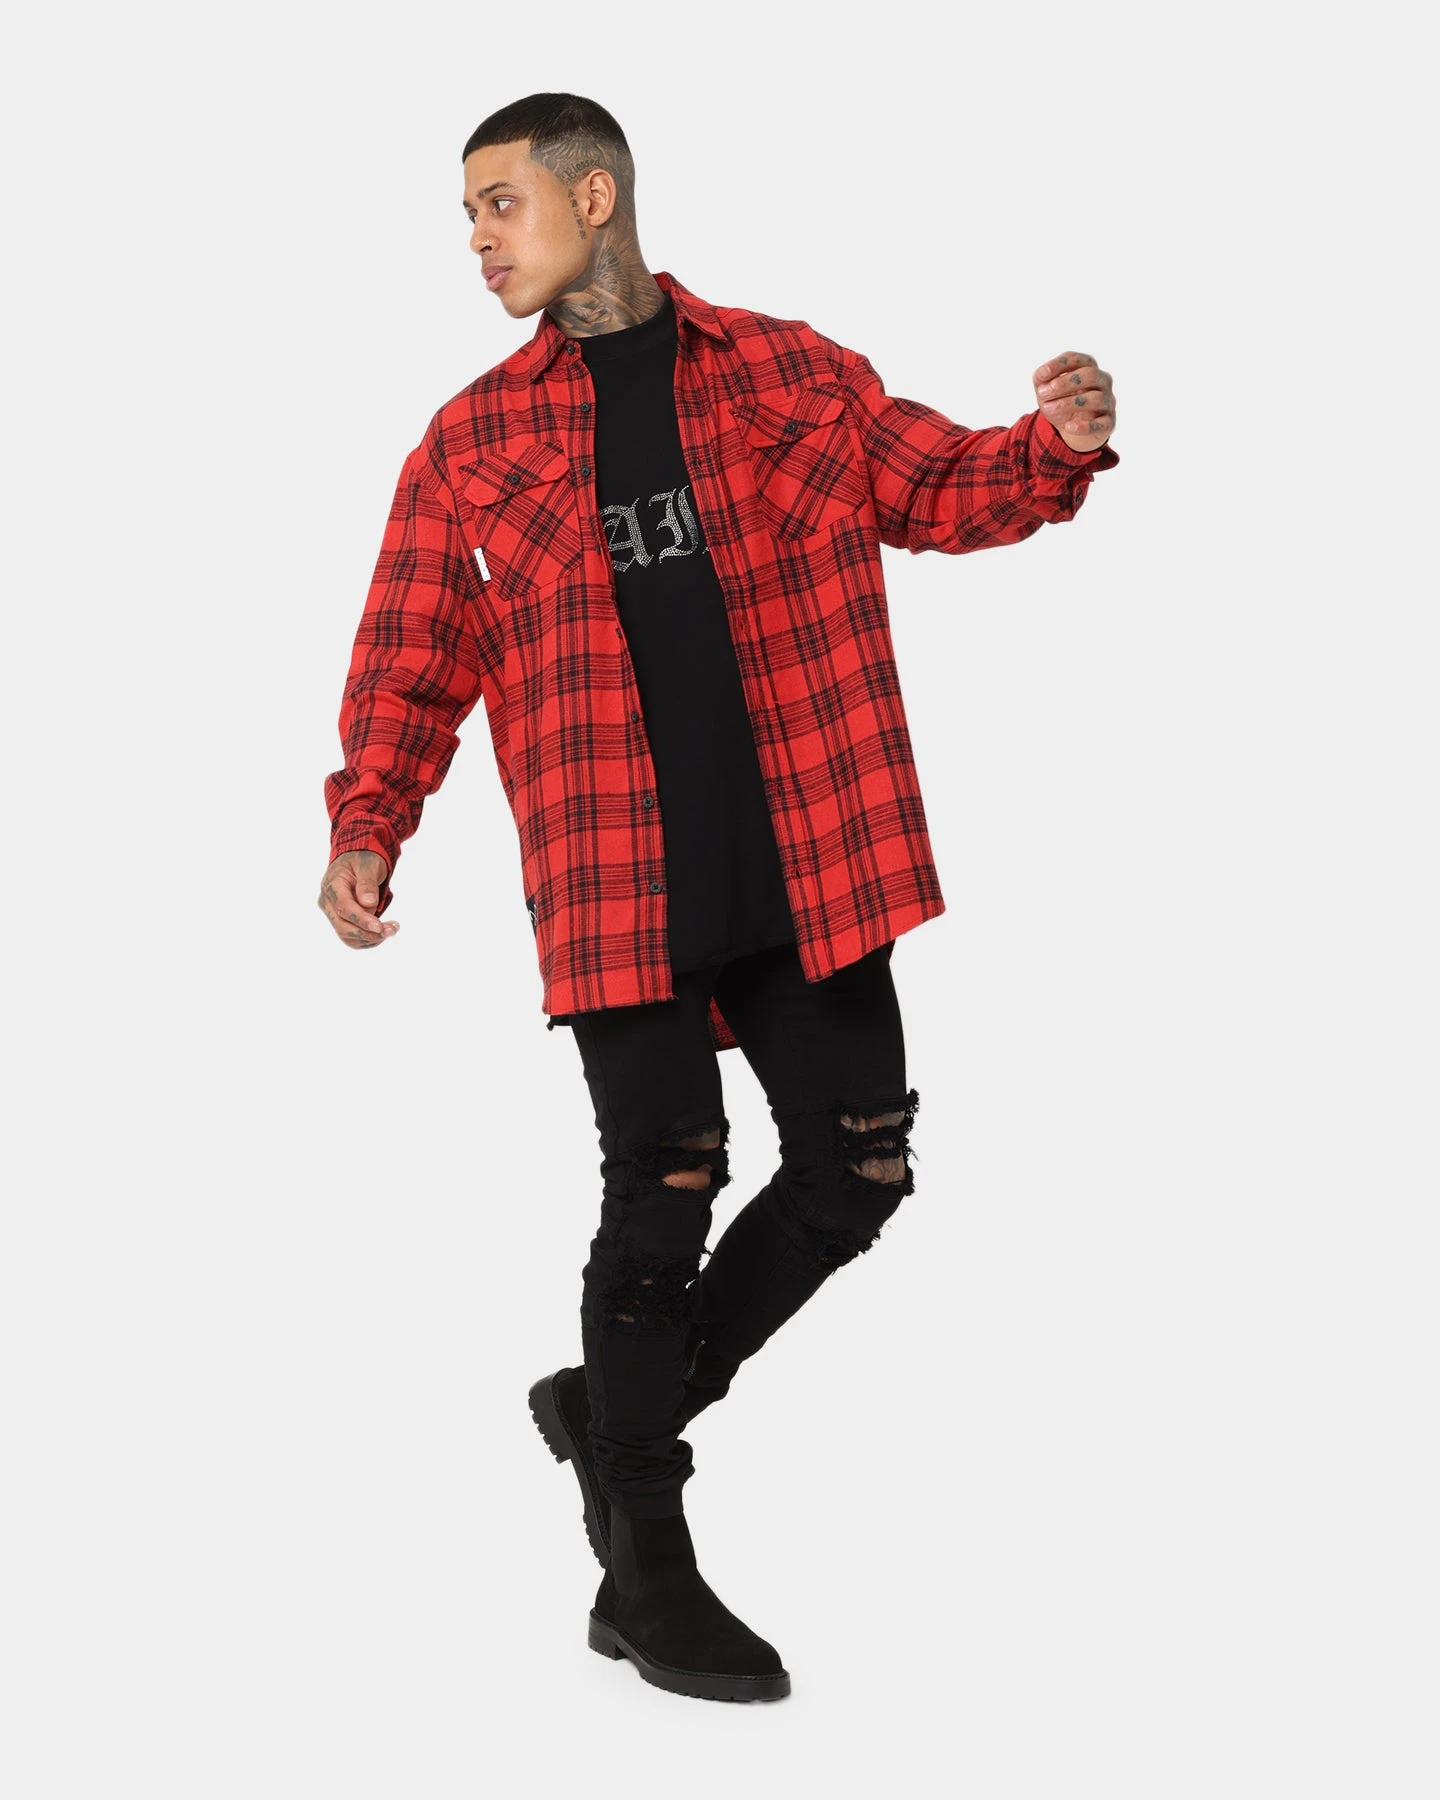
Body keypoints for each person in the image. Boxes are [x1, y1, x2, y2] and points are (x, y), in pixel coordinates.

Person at [318, 91, 1119, 1703]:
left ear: (592, 197)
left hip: (805, 844)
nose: (475, 240)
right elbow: (419, 646)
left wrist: (1056, 449)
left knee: (859, 1170)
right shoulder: (469, 442)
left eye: (497, 204)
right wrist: (370, 820)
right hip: (616, 866)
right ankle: (647, 1564)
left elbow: (938, 485)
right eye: (466, 215)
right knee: (665, 1181)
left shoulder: (787, 372)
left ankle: (615, 1410)